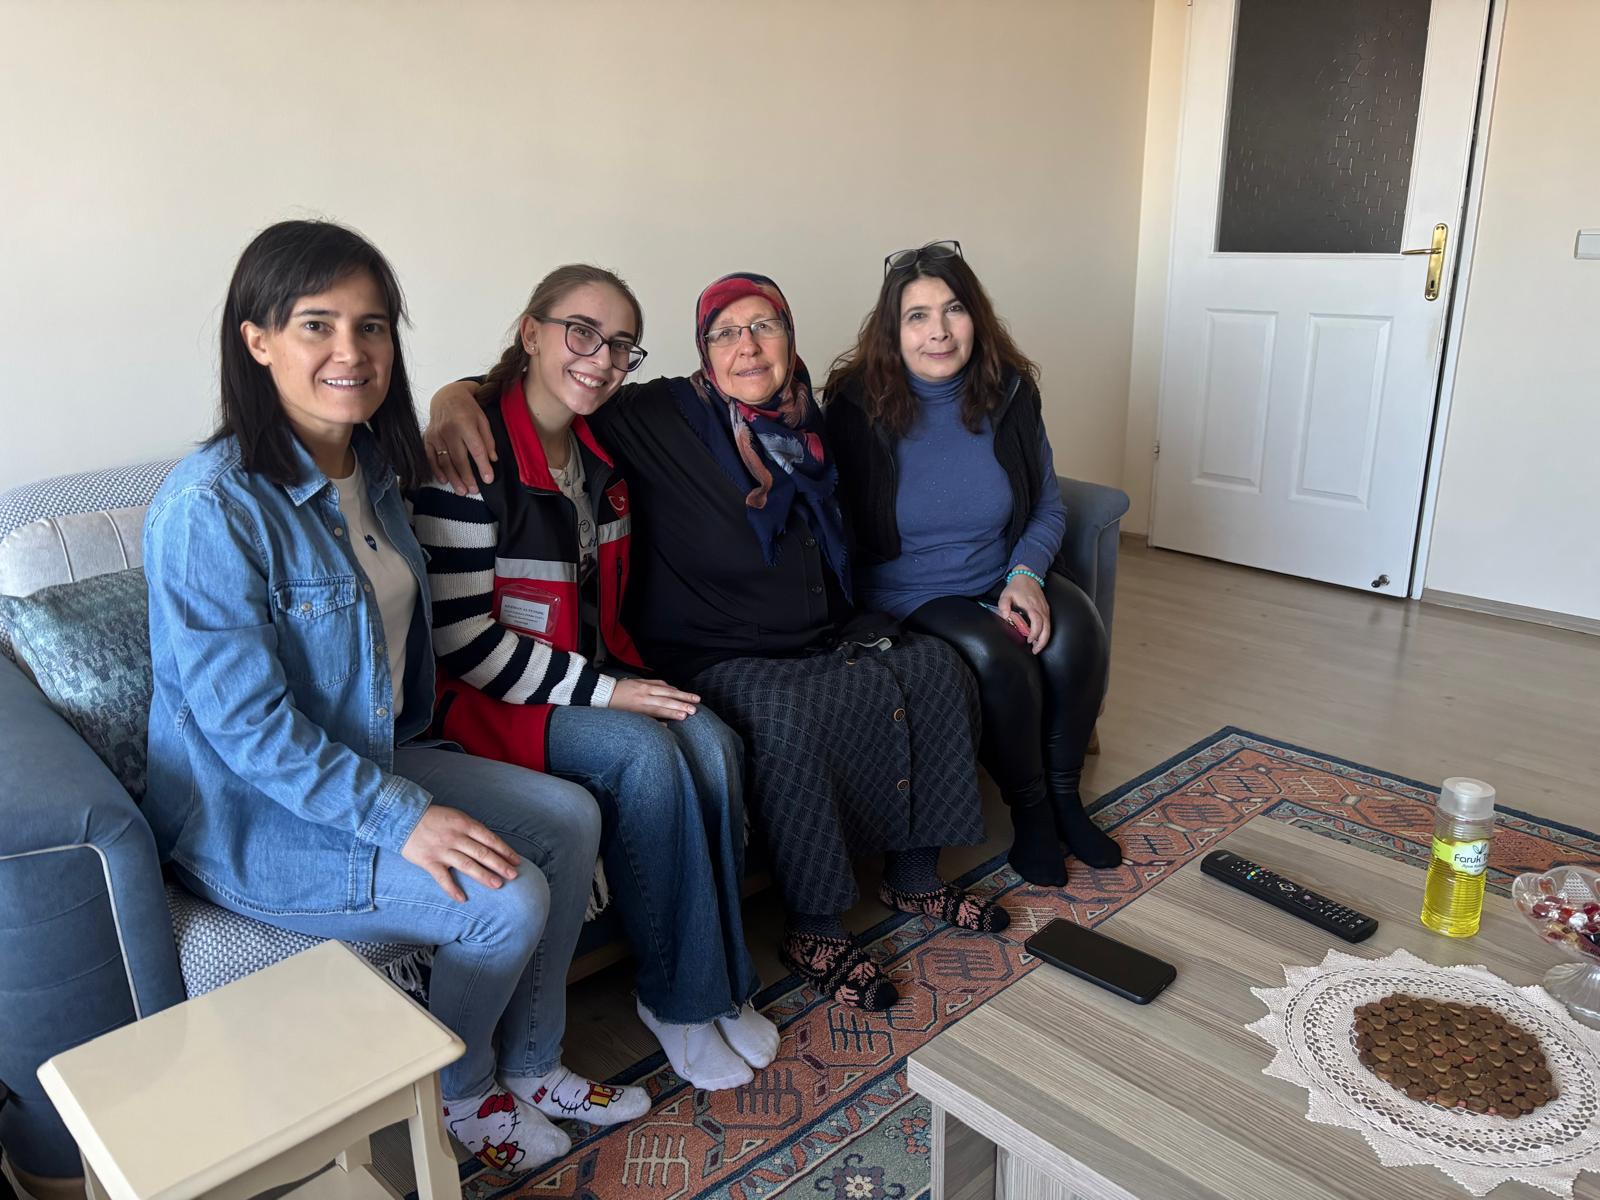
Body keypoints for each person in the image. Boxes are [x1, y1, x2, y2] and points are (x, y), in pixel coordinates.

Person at [142, 221, 646, 1177]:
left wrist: (456, 396)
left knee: (571, 818)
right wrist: (402, 818)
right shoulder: (211, 508)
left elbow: (503, 392)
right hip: (258, 820)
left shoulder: (376, 467)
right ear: (257, 340)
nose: (351, 350)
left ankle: (534, 1064)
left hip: (372, 750)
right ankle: (462, 1090)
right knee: (506, 901)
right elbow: (247, 730)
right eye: (317, 325)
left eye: (371, 326)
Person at [425, 272, 1007, 1013]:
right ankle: (815, 929)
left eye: (765, 326)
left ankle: (914, 875)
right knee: (789, 721)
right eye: (726, 332)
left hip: (817, 634)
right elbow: (547, 385)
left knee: (935, 670)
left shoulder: (813, 420)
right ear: (703, 350)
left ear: (790, 339)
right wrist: (452, 396)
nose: (748, 346)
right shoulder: (656, 414)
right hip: (714, 648)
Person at [410, 265, 778, 1090]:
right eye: (581, 332)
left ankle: (722, 985)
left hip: (578, 677)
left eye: (620, 345)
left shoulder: (603, 448)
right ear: (530, 331)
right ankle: (677, 1001)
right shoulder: (466, 461)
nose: (601, 358)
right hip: (485, 702)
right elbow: (462, 644)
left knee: (713, 742)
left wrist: (617, 682)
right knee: (642, 754)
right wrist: (613, 693)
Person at [823, 240, 1120, 888]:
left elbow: (1046, 503)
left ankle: (1067, 799)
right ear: (892, 329)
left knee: (1078, 633)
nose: (938, 331)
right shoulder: (854, 405)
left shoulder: (1009, 389)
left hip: (1000, 568)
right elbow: (832, 523)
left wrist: (1025, 576)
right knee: (998, 653)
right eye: (917, 316)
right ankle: (1031, 812)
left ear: (975, 317)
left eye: (953, 310)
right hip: (910, 589)